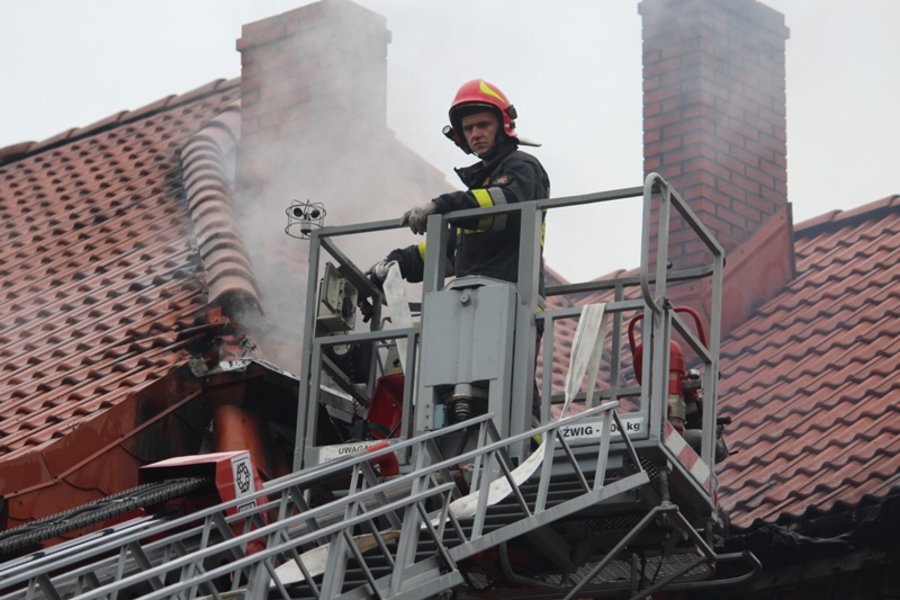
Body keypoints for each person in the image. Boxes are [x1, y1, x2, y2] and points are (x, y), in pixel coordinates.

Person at [368, 78, 550, 291]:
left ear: (502, 126)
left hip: (513, 303)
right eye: (468, 128)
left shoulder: (523, 166)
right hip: (476, 305)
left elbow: (506, 207)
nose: (475, 134)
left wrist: (442, 204)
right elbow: (447, 249)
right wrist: (396, 264)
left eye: (483, 125)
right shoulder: (479, 190)